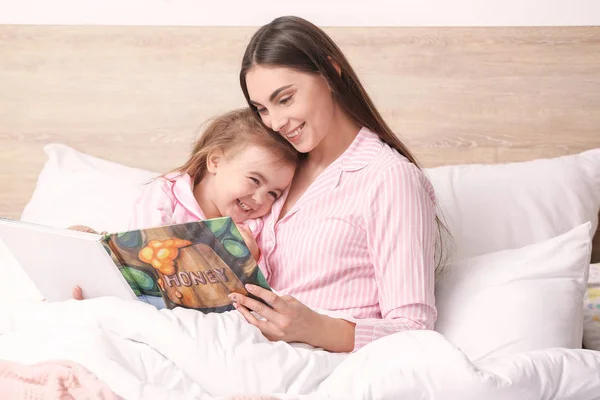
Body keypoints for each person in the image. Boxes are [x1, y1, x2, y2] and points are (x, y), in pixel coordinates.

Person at [227, 16, 449, 353]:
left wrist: (315, 328)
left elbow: (414, 330)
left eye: (285, 99)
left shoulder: (388, 178)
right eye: (262, 109)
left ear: (331, 73)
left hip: (326, 367)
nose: (275, 122)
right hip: (247, 350)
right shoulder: (275, 173)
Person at [71, 107, 298, 299]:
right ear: (216, 161)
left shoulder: (254, 227)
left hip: (201, 304)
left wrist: (250, 257)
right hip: (145, 280)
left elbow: (263, 290)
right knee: (91, 250)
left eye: (273, 194)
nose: (260, 199)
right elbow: (143, 245)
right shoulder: (167, 194)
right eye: (254, 180)